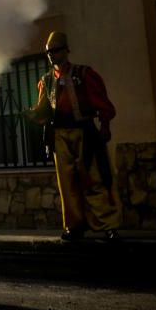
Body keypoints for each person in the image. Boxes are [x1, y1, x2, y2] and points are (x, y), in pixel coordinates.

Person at [27, 32, 121, 242]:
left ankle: (109, 226)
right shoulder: (46, 80)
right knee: (67, 184)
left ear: (65, 51)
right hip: (59, 135)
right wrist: (33, 113)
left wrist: (104, 126)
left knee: (94, 179)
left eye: (55, 50)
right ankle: (74, 227)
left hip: (84, 133)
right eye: (49, 52)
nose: (51, 55)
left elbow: (101, 103)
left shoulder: (84, 74)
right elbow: (44, 109)